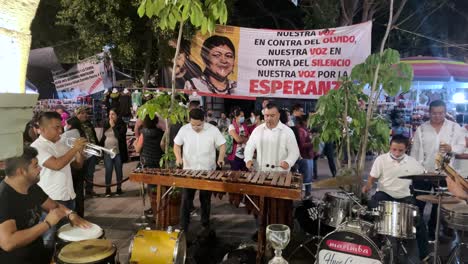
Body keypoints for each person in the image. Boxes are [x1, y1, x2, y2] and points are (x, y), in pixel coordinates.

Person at [0, 146, 91, 263]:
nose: (40, 169)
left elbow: (54, 206)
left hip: (37, 254)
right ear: (21, 171)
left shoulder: (31, 187)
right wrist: (47, 224)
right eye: (35, 165)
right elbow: (8, 242)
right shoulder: (4, 198)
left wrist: (70, 214)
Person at [362, 135, 429, 261]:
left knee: (418, 222)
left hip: (404, 196)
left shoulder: (413, 162)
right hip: (384, 193)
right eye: (394, 149)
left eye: (400, 150)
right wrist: (368, 186)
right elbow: (372, 177)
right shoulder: (381, 159)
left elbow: (425, 175)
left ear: (406, 149)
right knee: (370, 213)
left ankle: (424, 255)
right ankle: (372, 249)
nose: (397, 153)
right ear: (390, 147)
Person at [30, 112, 87, 252]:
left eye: (60, 127)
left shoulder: (62, 143)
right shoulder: (36, 147)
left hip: (69, 196)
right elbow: (57, 165)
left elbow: (77, 165)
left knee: (68, 237)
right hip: (50, 200)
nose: (60, 131)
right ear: (42, 129)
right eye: (56, 127)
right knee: (48, 240)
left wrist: (80, 152)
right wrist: (74, 149)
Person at [410, 100, 465, 240]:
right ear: (429, 113)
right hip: (424, 172)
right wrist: (414, 172)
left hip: (445, 173)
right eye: (434, 113)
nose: (437, 116)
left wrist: (451, 148)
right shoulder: (421, 129)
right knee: (419, 202)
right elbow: (415, 152)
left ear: (445, 112)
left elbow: (461, 146)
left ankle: (432, 232)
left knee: (440, 204)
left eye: (440, 113)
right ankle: (416, 231)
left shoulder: (454, 127)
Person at [174, 108, 226, 232]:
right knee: (186, 199)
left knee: (205, 200)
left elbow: (222, 145)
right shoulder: (184, 129)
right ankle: (183, 226)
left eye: (199, 125)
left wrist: (220, 157)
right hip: (189, 171)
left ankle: (205, 225)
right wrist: (178, 157)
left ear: (204, 120)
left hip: (207, 170)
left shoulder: (212, 130)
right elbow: (176, 145)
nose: (196, 127)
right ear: (189, 121)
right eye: (193, 125)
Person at [244, 103, 300, 172]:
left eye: (272, 116)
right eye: (267, 115)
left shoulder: (287, 131)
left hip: (280, 173)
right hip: (261, 173)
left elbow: (294, 152)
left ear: (278, 115)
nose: (269, 118)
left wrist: (288, 162)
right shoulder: (257, 130)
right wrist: (248, 159)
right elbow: (249, 147)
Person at [61, 117, 87, 217]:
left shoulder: (66, 134)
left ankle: (73, 214)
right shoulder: (81, 133)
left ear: (70, 125)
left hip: (72, 166)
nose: (65, 126)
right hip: (80, 164)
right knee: (79, 192)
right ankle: (80, 214)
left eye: (66, 124)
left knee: (73, 191)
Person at [99, 108, 128, 197]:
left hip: (118, 152)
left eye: (113, 114)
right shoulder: (106, 123)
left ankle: (119, 188)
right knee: (108, 170)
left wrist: (114, 127)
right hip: (107, 152)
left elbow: (119, 136)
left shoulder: (122, 125)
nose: (110, 116)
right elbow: (103, 137)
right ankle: (108, 189)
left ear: (117, 115)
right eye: (109, 114)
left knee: (118, 170)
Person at [75, 107, 99, 197]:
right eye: (83, 113)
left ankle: (89, 190)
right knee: (81, 174)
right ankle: (80, 193)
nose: (86, 115)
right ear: (78, 114)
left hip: (92, 152)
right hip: (81, 153)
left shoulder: (89, 124)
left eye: (86, 113)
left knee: (90, 172)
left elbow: (94, 136)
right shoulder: (76, 126)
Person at [295, 116, 314, 197]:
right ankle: (306, 196)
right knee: (306, 178)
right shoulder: (301, 131)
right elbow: (301, 145)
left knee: (307, 178)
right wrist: (312, 142)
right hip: (305, 157)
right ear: (304, 121)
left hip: (306, 156)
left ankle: (307, 195)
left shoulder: (303, 130)